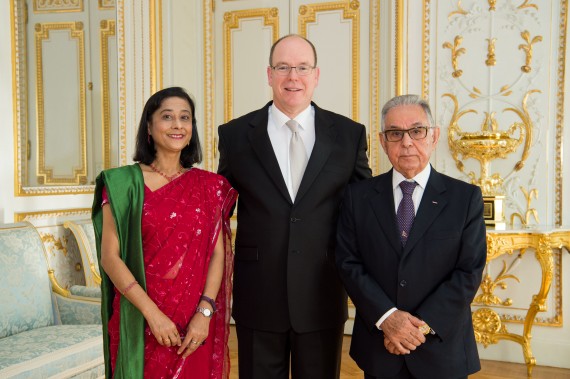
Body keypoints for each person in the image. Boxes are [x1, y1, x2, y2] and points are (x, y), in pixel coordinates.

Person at [217, 34, 372, 378]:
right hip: (258, 294)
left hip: (322, 292)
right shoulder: (235, 135)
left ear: (316, 75)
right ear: (269, 74)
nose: (293, 77)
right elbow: (217, 215)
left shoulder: (349, 135)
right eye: (283, 67)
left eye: (302, 68)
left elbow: (365, 213)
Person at [336, 94, 487, 379]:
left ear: (434, 136)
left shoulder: (464, 198)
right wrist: (388, 319)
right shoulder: (358, 197)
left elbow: (469, 271)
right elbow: (348, 263)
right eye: (395, 133)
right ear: (383, 141)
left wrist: (417, 328)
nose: (406, 143)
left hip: (442, 348)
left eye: (417, 131)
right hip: (380, 347)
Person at [92, 87, 237, 379]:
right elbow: (110, 257)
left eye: (185, 118)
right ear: (149, 125)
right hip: (140, 316)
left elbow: (217, 253)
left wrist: (205, 313)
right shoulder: (123, 184)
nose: (177, 125)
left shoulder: (211, 187)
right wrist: (153, 316)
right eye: (167, 117)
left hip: (193, 322)